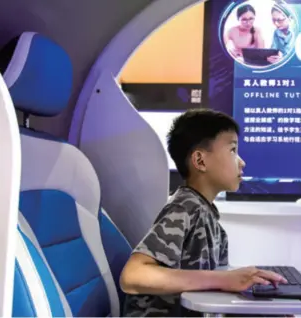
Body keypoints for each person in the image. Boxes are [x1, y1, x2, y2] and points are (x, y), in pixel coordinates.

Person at [120, 109, 286, 317]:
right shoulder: (185, 208)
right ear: (200, 161)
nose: (241, 162)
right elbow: (133, 275)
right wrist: (225, 280)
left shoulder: (210, 218)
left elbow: (214, 289)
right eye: (233, 150)